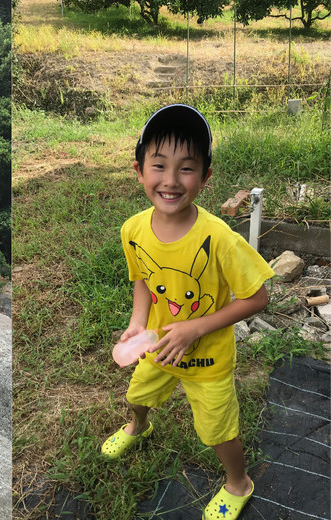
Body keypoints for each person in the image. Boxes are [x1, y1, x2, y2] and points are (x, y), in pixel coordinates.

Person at [101, 104, 274, 520]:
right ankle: (139, 426)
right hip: (159, 346)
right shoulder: (133, 229)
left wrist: (195, 327)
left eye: (187, 168)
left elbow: (258, 298)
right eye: (158, 165)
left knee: (218, 431)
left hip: (207, 359)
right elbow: (142, 278)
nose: (171, 181)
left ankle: (238, 483)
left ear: (206, 176)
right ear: (139, 171)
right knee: (137, 394)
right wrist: (137, 323)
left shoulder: (220, 238)